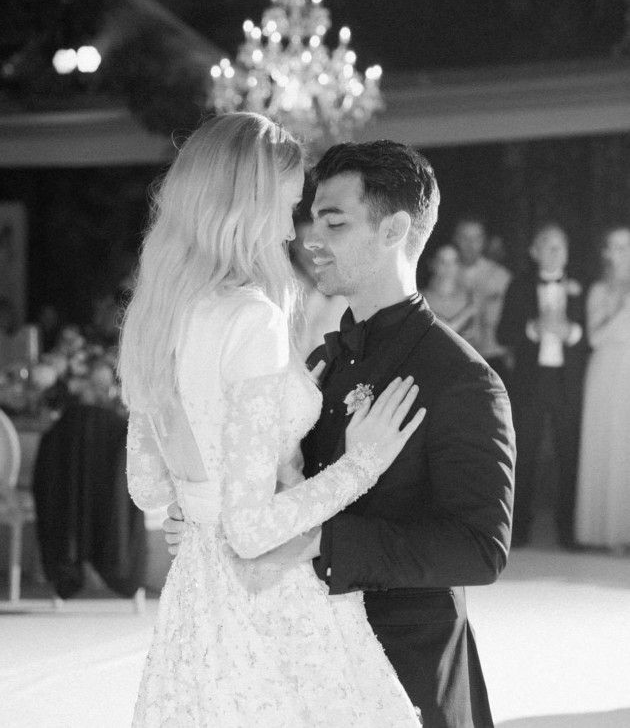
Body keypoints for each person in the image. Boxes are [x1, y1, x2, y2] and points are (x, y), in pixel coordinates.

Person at [166, 139, 516, 726]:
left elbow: (479, 549)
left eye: (334, 223)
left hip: (407, 666)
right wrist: (207, 517)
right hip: (303, 663)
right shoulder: (317, 362)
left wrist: (322, 543)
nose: (310, 239)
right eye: (310, 220)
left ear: (393, 230)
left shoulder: (462, 379)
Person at [119, 113, 426, 727]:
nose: (292, 229)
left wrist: (196, 509)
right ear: (245, 208)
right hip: (270, 595)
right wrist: (360, 466)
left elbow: (148, 487)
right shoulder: (249, 319)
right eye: (286, 208)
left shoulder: (156, 316)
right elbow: (252, 529)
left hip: (197, 595)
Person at [497, 221, 587, 549]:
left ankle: (568, 532)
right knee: (524, 454)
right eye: (548, 245)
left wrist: (571, 333)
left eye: (560, 246)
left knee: (570, 454)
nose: (555, 252)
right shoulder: (519, 285)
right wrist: (533, 329)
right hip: (530, 383)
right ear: (534, 252)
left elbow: (594, 335)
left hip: (568, 383)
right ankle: (518, 530)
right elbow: (502, 333)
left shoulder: (583, 284)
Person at [575, 223, 630, 551]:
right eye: (616, 246)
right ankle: (602, 532)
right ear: (606, 252)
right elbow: (595, 337)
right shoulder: (598, 290)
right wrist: (624, 309)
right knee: (606, 442)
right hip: (606, 368)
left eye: (627, 246)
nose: (622, 253)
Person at [453, 217, 512, 383]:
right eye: (465, 238)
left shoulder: (501, 276)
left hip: (493, 358)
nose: (470, 244)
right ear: (456, 239)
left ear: (484, 240)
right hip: (455, 358)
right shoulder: (446, 274)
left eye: (476, 238)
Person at [290, 214, 347, 358]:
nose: (311, 249)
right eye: (303, 242)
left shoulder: (341, 283)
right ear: (295, 245)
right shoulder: (290, 282)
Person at [422, 243, 478, 347]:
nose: (448, 267)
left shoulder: (470, 298)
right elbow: (447, 330)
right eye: (442, 261)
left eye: (454, 261)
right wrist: (468, 311)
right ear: (432, 264)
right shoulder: (420, 299)